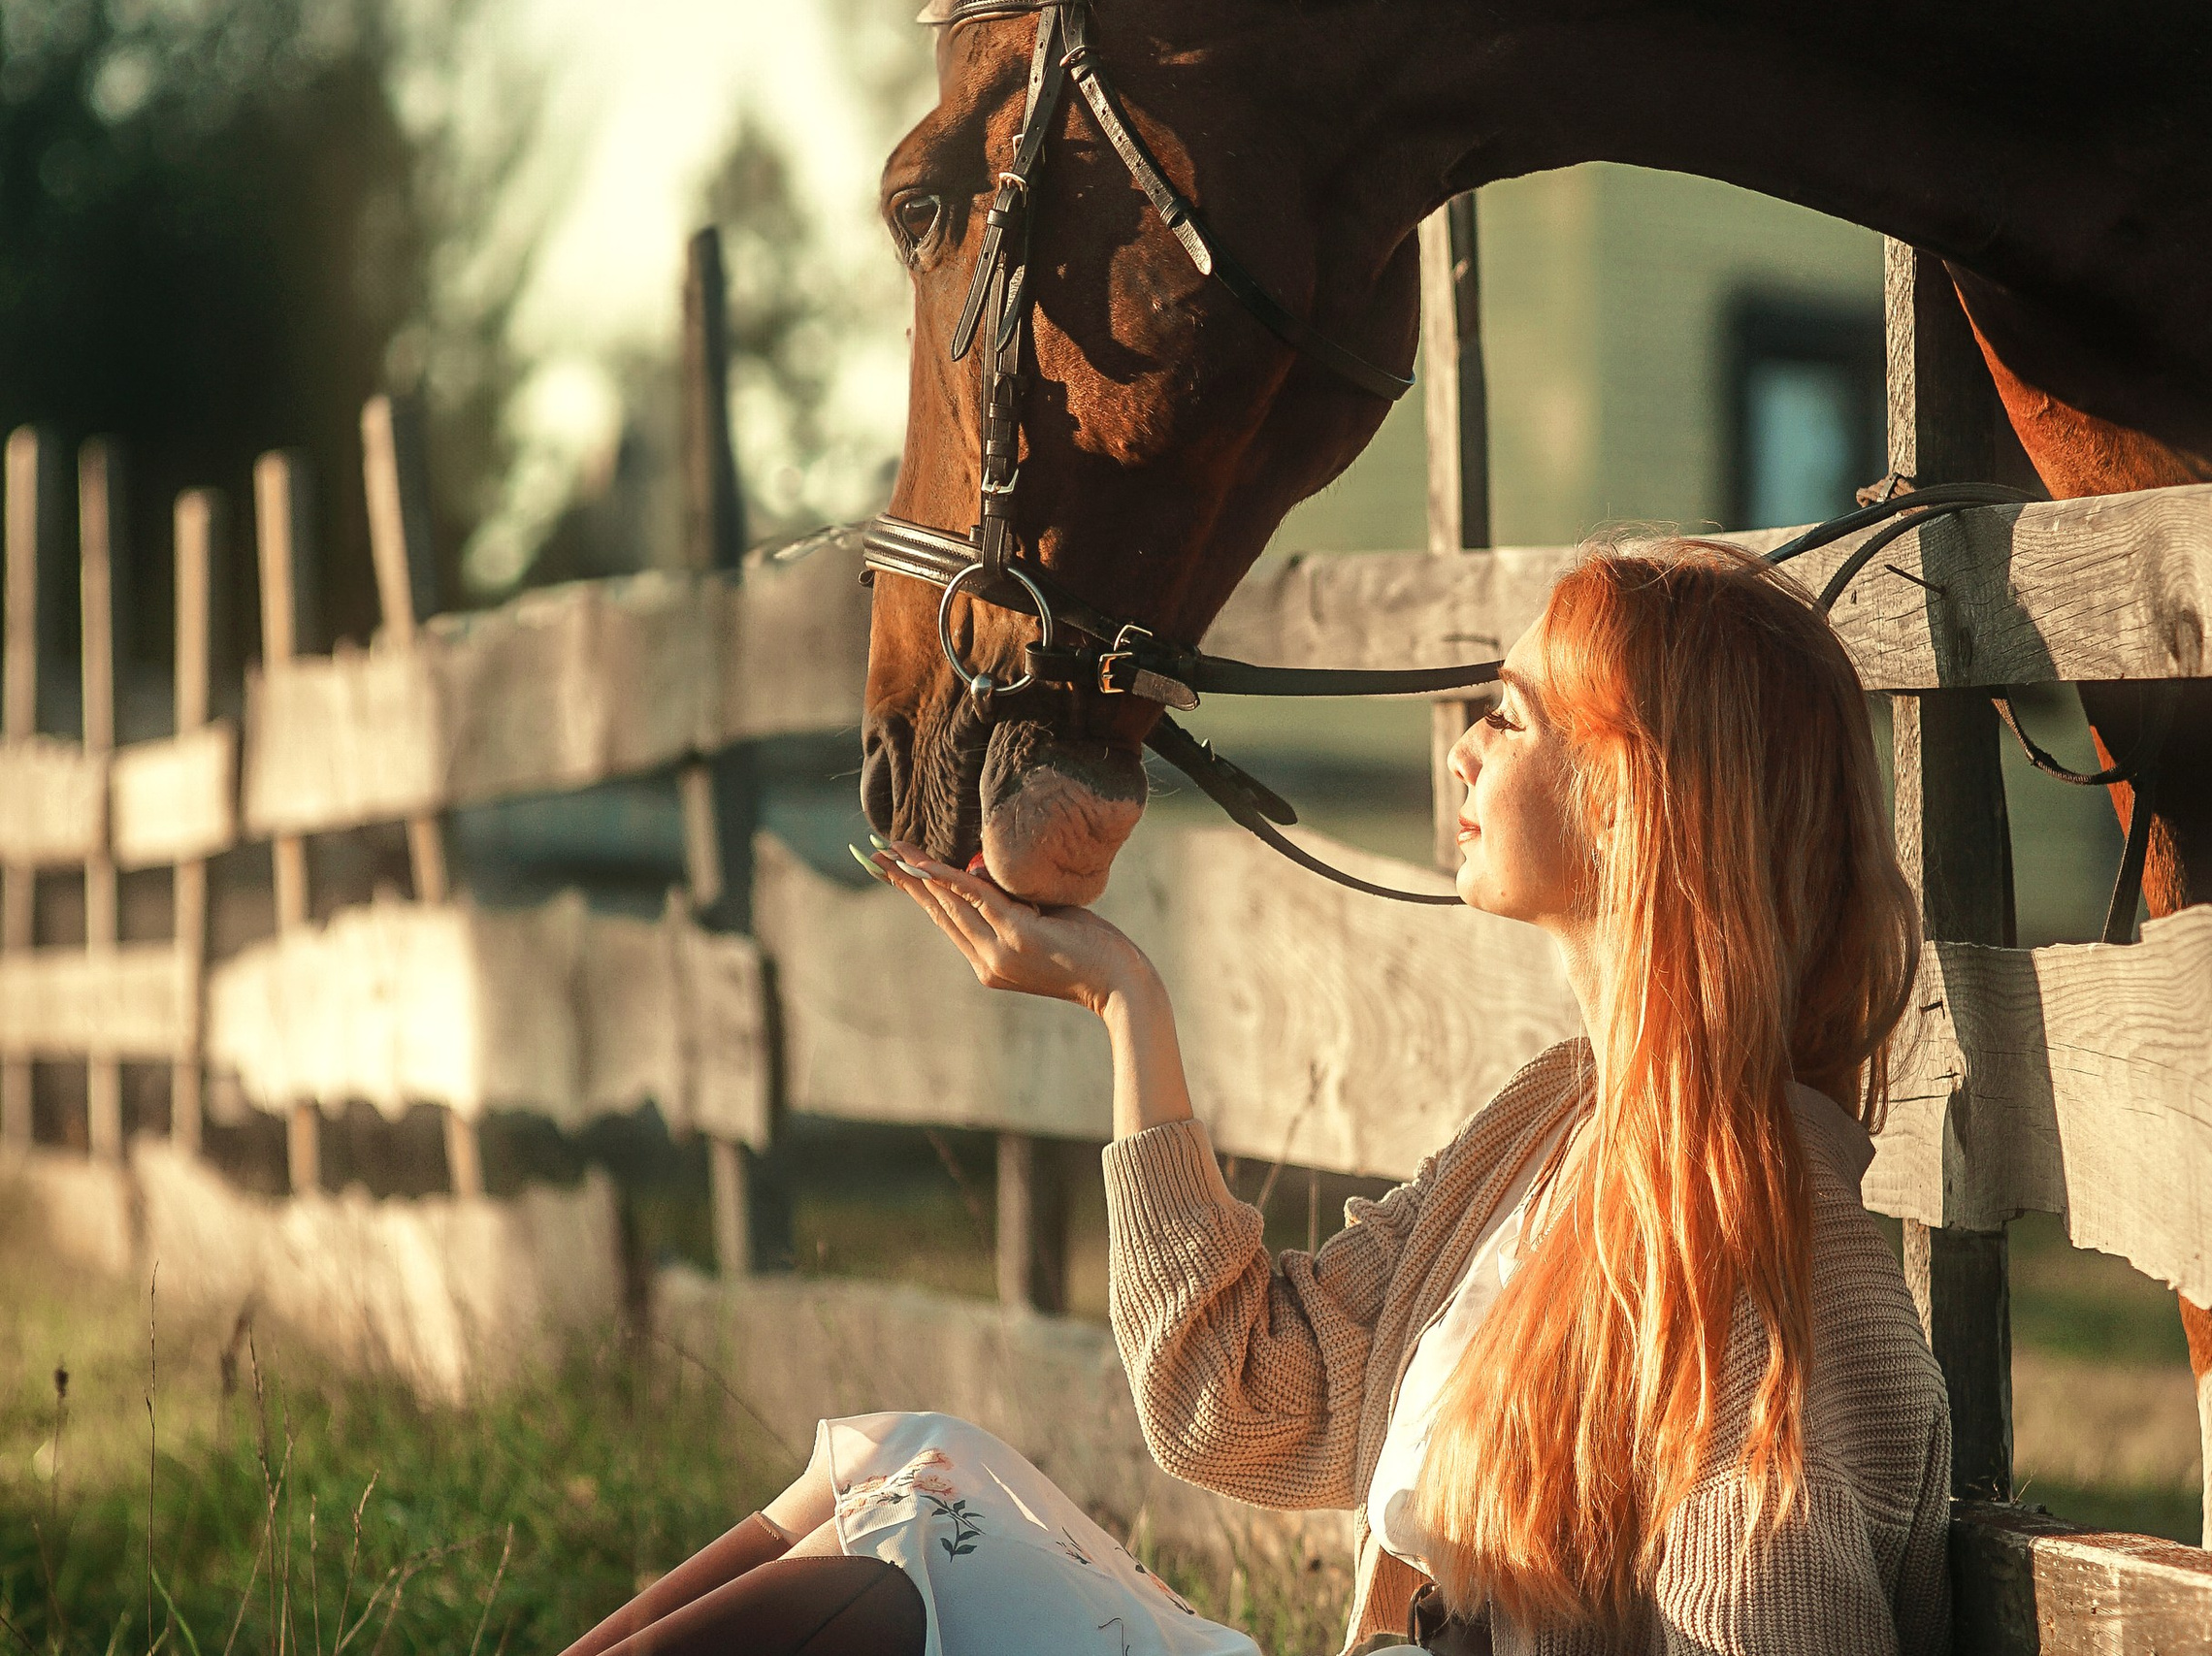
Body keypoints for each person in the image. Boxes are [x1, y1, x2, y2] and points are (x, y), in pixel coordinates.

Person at [559, 536, 1951, 1656]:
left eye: (1513, 718)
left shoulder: (1772, 1256)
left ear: (1638, 803)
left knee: (923, 1541)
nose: (1464, 747)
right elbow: (1237, 1395)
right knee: (908, 1466)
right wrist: (1125, 1005)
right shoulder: (1551, 1130)